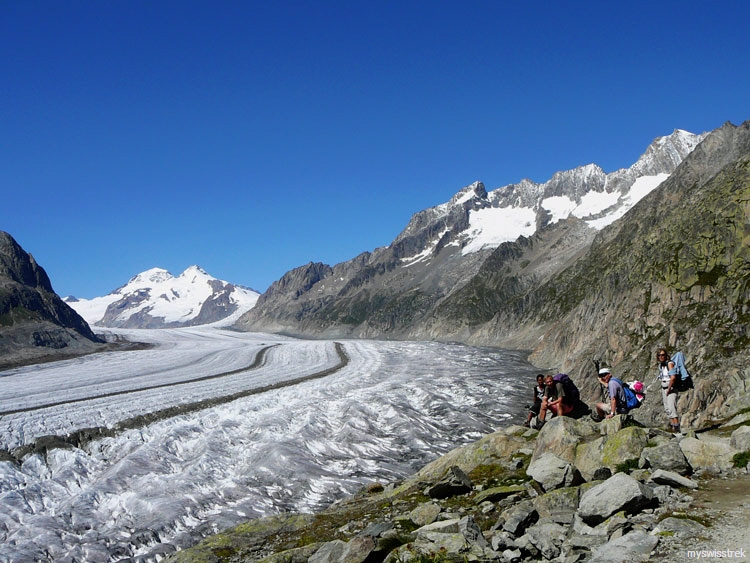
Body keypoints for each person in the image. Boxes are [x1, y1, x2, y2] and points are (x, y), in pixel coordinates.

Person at [656, 348, 680, 433]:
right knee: (667, 409)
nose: (661, 357)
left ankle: (676, 428)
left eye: (663, 355)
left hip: (671, 388)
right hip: (664, 387)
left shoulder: (669, 364)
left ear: (666, 355)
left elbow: (673, 377)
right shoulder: (662, 365)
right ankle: (673, 427)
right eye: (659, 355)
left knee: (671, 407)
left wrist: (669, 388)